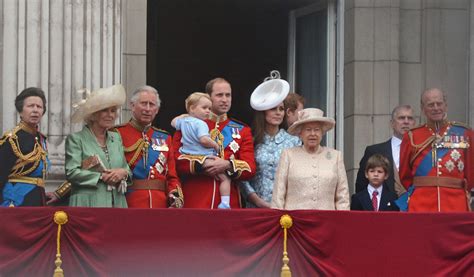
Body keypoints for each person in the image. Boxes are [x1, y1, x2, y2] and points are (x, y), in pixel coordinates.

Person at [172, 77, 256, 208]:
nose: (224, 99)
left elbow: (250, 168)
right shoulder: (189, 124)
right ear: (208, 98)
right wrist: (203, 166)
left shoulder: (242, 130)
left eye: (228, 95)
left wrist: (227, 164)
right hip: (196, 199)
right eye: (219, 95)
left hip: (229, 203)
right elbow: (175, 160)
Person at [399, 88, 473, 212]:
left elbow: (471, 172)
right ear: (423, 109)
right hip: (421, 204)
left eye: (439, 103)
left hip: (455, 203)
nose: (436, 108)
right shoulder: (411, 136)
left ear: (446, 106)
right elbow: (405, 175)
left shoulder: (465, 133)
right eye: (430, 105)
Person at [115, 86, 183, 208]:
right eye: (143, 103)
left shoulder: (165, 137)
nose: (147, 109)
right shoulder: (118, 134)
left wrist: (175, 196)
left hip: (159, 204)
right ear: (132, 105)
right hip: (129, 202)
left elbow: (172, 176)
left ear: (157, 110)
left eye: (151, 105)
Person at [66, 84, 131, 208]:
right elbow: (72, 173)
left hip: (117, 203)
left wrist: (123, 173)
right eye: (104, 110)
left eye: (113, 111)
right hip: (88, 203)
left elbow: (126, 169)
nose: (110, 115)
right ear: (93, 114)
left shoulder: (116, 138)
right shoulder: (76, 139)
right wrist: (101, 176)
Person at [271, 108, 350, 210]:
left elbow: (342, 196)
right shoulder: (288, 155)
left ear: (322, 132)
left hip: (327, 221)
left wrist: (341, 222)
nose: (313, 134)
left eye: (317, 130)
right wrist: (279, 220)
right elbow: (278, 193)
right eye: (308, 130)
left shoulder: (335, 156)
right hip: (294, 221)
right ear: (300, 133)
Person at [240, 86, 300, 208]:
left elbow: (298, 176)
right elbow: (242, 176)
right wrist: (258, 201)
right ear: (263, 111)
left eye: (281, 109)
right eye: (273, 109)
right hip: (255, 208)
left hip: (286, 208)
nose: (278, 112)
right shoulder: (250, 141)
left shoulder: (294, 142)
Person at [171, 92, 230, 208]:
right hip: (203, 158)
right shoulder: (202, 124)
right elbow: (203, 140)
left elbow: (173, 122)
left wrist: (183, 116)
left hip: (187, 154)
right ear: (192, 108)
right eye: (204, 108)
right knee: (225, 179)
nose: (208, 111)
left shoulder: (184, 122)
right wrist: (215, 145)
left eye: (209, 108)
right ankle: (225, 203)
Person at [0, 87, 49, 207]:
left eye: (39, 107)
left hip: (37, 198)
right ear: (20, 111)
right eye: (30, 106)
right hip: (16, 200)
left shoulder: (41, 139)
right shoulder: (12, 139)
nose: (35, 110)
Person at [355, 105, 416, 196]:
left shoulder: (422, 150)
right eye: (401, 118)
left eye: (410, 118)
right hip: (384, 209)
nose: (406, 122)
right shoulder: (374, 151)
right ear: (392, 123)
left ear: (414, 123)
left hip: (416, 207)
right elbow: (361, 187)